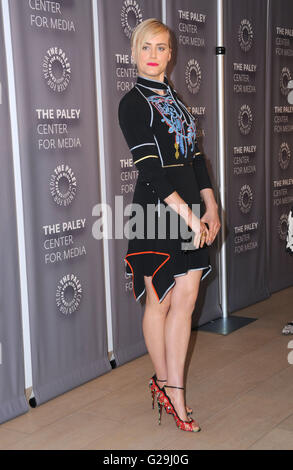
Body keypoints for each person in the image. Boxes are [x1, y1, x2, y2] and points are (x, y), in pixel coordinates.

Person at [118, 18, 221, 432]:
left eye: (161, 48)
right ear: (135, 52)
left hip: (192, 210)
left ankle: (174, 387)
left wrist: (211, 208)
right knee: (158, 301)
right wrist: (191, 215)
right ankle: (165, 385)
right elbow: (151, 173)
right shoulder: (132, 103)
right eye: (147, 47)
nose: (154, 56)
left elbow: (196, 159)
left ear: (170, 55)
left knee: (187, 299)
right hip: (158, 212)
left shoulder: (176, 99)